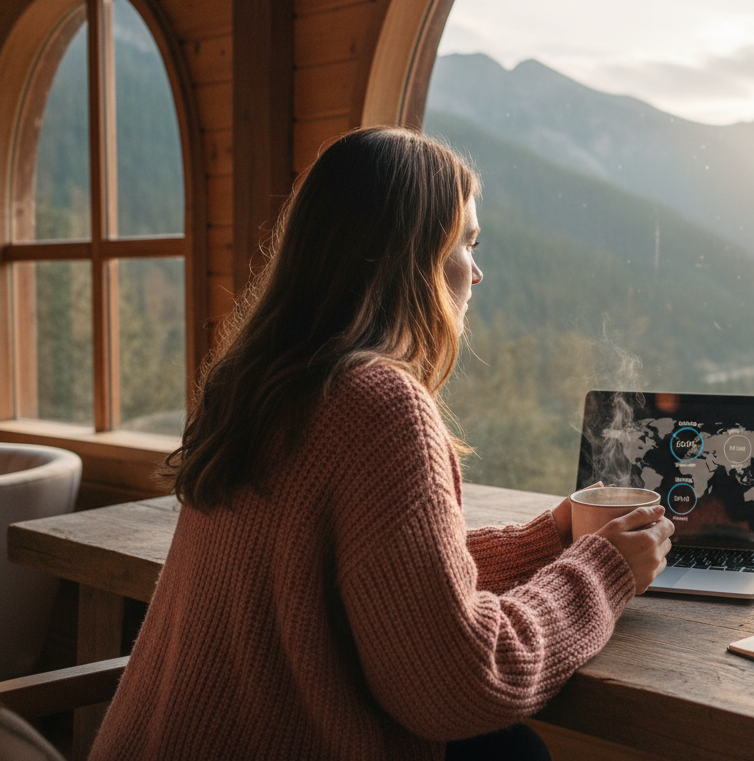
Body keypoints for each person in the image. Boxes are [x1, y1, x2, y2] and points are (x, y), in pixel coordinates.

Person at [90, 127, 674, 760]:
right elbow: (460, 685)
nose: (476, 274)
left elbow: (378, 582)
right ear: (410, 256)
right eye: (466, 244)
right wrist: (601, 571)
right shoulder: (382, 406)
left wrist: (546, 543)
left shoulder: (264, 385)